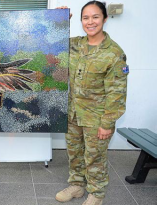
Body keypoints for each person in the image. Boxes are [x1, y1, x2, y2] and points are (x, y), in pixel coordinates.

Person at [55, 1, 128, 205]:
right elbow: (50, 44)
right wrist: (60, 20)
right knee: (75, 153)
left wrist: (107, 123)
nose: (90, 22)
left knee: (95, 158)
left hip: (97, 117)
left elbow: (117, 92)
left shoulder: (114, 53)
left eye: (95, 17)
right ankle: (77, 186)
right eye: (85, 18)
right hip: (73, 113)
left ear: (104, 19)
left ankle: (96, 193)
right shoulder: (75, 45)